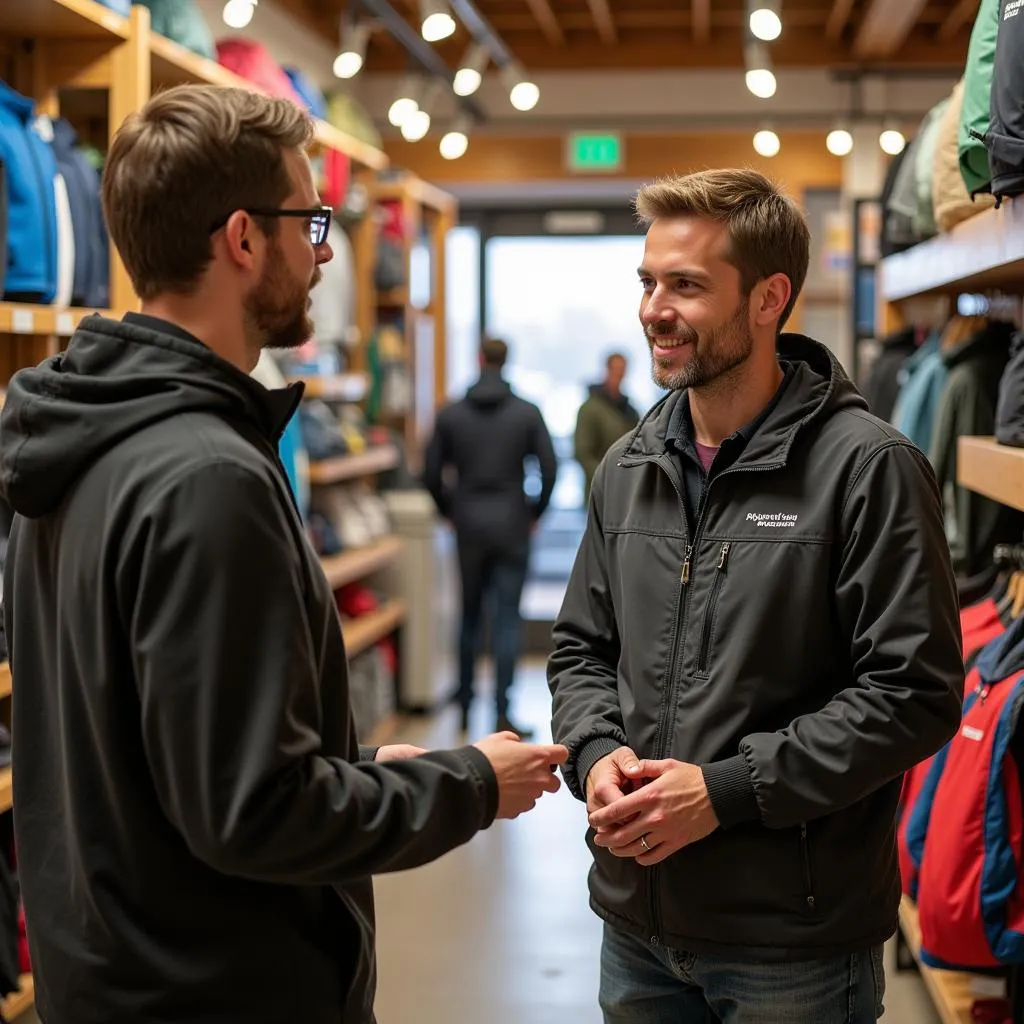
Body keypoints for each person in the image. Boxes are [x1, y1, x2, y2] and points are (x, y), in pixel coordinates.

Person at [0, 84, 567, 1024]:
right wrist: (470, 784)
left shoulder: (72, 437)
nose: (325, 249)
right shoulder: (206, 475)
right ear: (242, 238)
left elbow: (157, 745)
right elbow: (253, 811)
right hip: (217, 988)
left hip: (107, 975)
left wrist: (362, 761)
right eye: (311, 221)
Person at [548, 169, 964, 1023]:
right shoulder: (628, 468)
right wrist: (595, 756)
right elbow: (582, 649)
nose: (653, 309)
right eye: (648, 282)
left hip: (792, 945)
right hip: (636, 924)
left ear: (770, 297)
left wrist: (726, 791)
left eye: (688, 286)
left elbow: (913, 695)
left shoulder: (867, 468)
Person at [425, 338, 558, 739]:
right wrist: (534, 512)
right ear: (506, 361)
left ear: (478, 359)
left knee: (468, 615)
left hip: (467, 522)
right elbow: (550, 468)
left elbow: (430, 472)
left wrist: (448, 510)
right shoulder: (526, 413)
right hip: (513, 523)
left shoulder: (451, 414)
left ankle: (464, 705)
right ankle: (503, 713)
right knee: (506, 620)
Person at [575, 352, 640, 502]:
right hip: (600, 491)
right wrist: (606, 477)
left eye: (623, 370)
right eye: (616, 369)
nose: (619, 375)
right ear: (607, 370)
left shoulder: (629, 410)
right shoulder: (590, 409)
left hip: (627, 491)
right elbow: (582, 453)